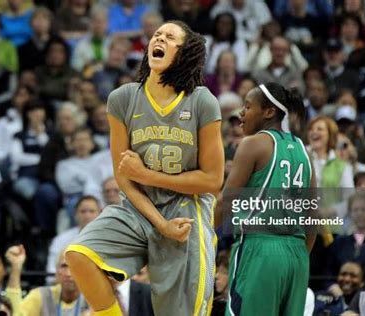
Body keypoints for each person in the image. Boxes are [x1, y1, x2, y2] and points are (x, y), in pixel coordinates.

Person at [65, 20, 224, 316]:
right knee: (79, 255)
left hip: (186, 212)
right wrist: (158, 222)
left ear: (185, 51)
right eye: (156, 35)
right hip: (137, 207)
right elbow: (124, 178)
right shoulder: (122, 99)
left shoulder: (203, 101)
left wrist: (148, 175)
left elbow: (213, 180)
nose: (159, 38)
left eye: (169, 36)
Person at [222, 82, 316, 315]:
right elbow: (314, 215)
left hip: (260, 250)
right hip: (297, 255)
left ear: (269, 112)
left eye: (247, 106)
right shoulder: (303, 150)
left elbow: (227, 203)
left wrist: (199, 240)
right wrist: (297, 255)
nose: (241, 113)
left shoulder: (253, 144)